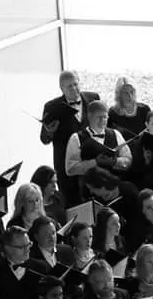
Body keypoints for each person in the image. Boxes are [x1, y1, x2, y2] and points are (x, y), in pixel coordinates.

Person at [39, 70, 101, 203]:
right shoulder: (51, 106)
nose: (74, 88)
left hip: (92, 163)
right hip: (66, 167)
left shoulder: (93, 98)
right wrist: (50, 131)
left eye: (75, 84)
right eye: (69, 86)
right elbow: (44, 139)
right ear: (62, 89)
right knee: (71, 204)